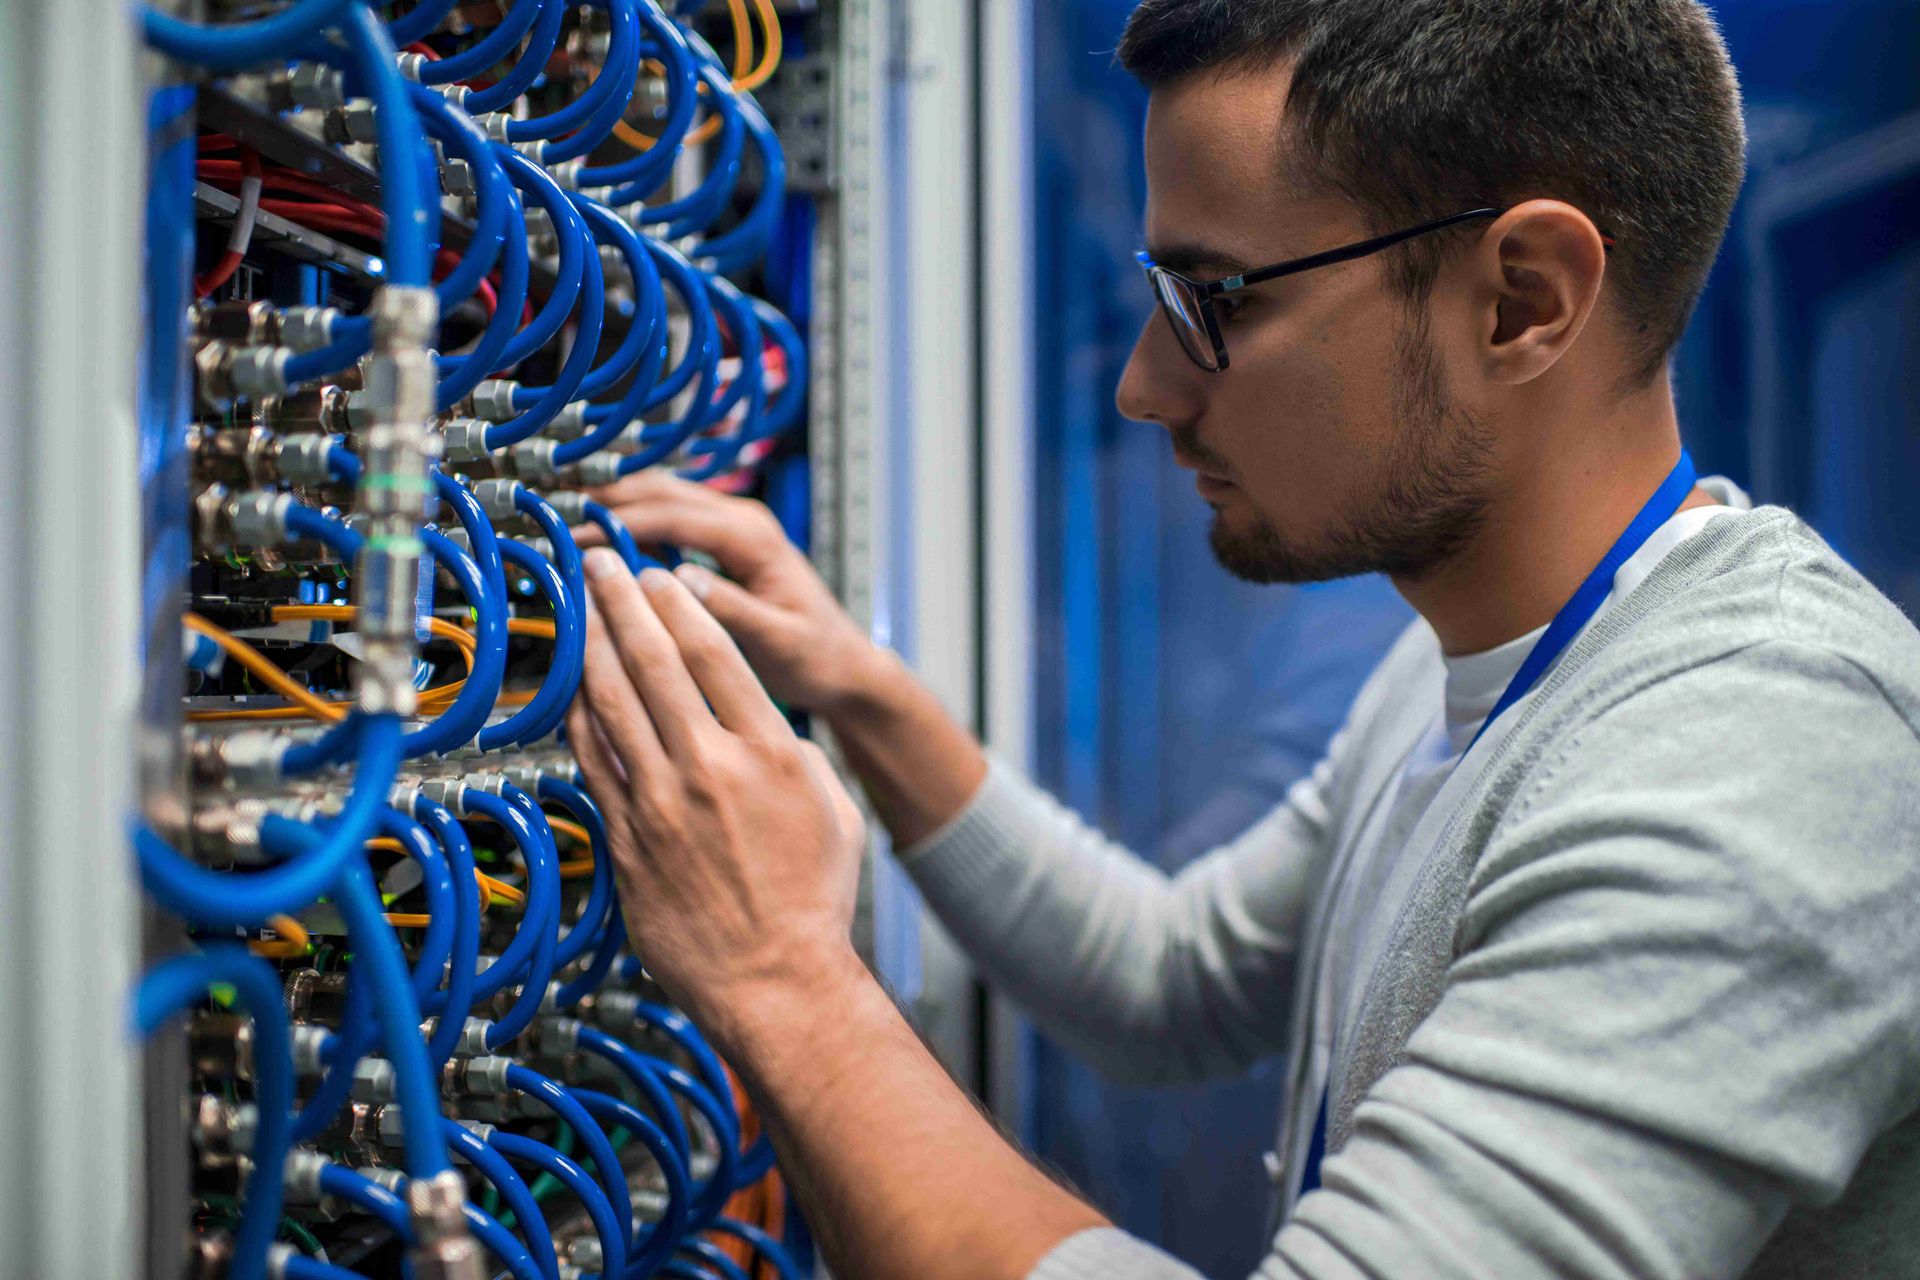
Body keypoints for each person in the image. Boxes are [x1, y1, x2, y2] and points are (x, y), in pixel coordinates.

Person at [567, 1, 1920, 1276]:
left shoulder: (1764, 763)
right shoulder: (1481, 660)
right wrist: (857, 689)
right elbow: (1173, 983)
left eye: (1217, 301)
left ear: (1524, 297)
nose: (1143, 388)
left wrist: (782, 975)